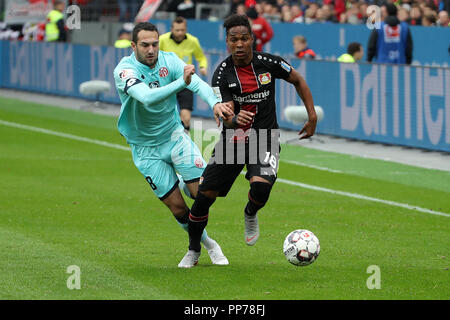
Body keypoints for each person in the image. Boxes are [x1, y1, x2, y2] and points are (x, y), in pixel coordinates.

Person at [178, 14, 317, 268]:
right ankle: (193, 250)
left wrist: (312, 114)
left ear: (252, 39)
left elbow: (297, 79)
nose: (239, 44)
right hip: (233, 140)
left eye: (244, 38)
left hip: (264, 138)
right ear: (227, 42)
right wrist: (233, 118)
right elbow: (225, 116)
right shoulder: (222, 73)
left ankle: (250, 213)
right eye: (234, 40)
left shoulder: (269, 63)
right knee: (203, 198)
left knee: (261, 187)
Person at [113, 22, 234, 267]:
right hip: (145, 149)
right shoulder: (124, 70)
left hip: (174, 136)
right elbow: (146, 97)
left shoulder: (170, 61)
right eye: (145, 45)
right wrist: (182, 83)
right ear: (133, 46)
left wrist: (214, 103)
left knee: (201, 195)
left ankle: (193, 248)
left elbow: (198, 83)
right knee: (178, 209)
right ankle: (206, 245)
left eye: (155, 44)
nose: (151, 50)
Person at [159, 16, 209, 132]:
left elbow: (201, 57)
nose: (180, 32)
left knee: (186, 118)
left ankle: (184, 144)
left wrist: (203, 67)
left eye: (182, 30)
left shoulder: (193, 41)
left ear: (186, 29)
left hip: (186, 82)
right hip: (167, 82)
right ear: (171, 29)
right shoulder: (162, 40)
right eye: (177, 30)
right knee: (162, 117)